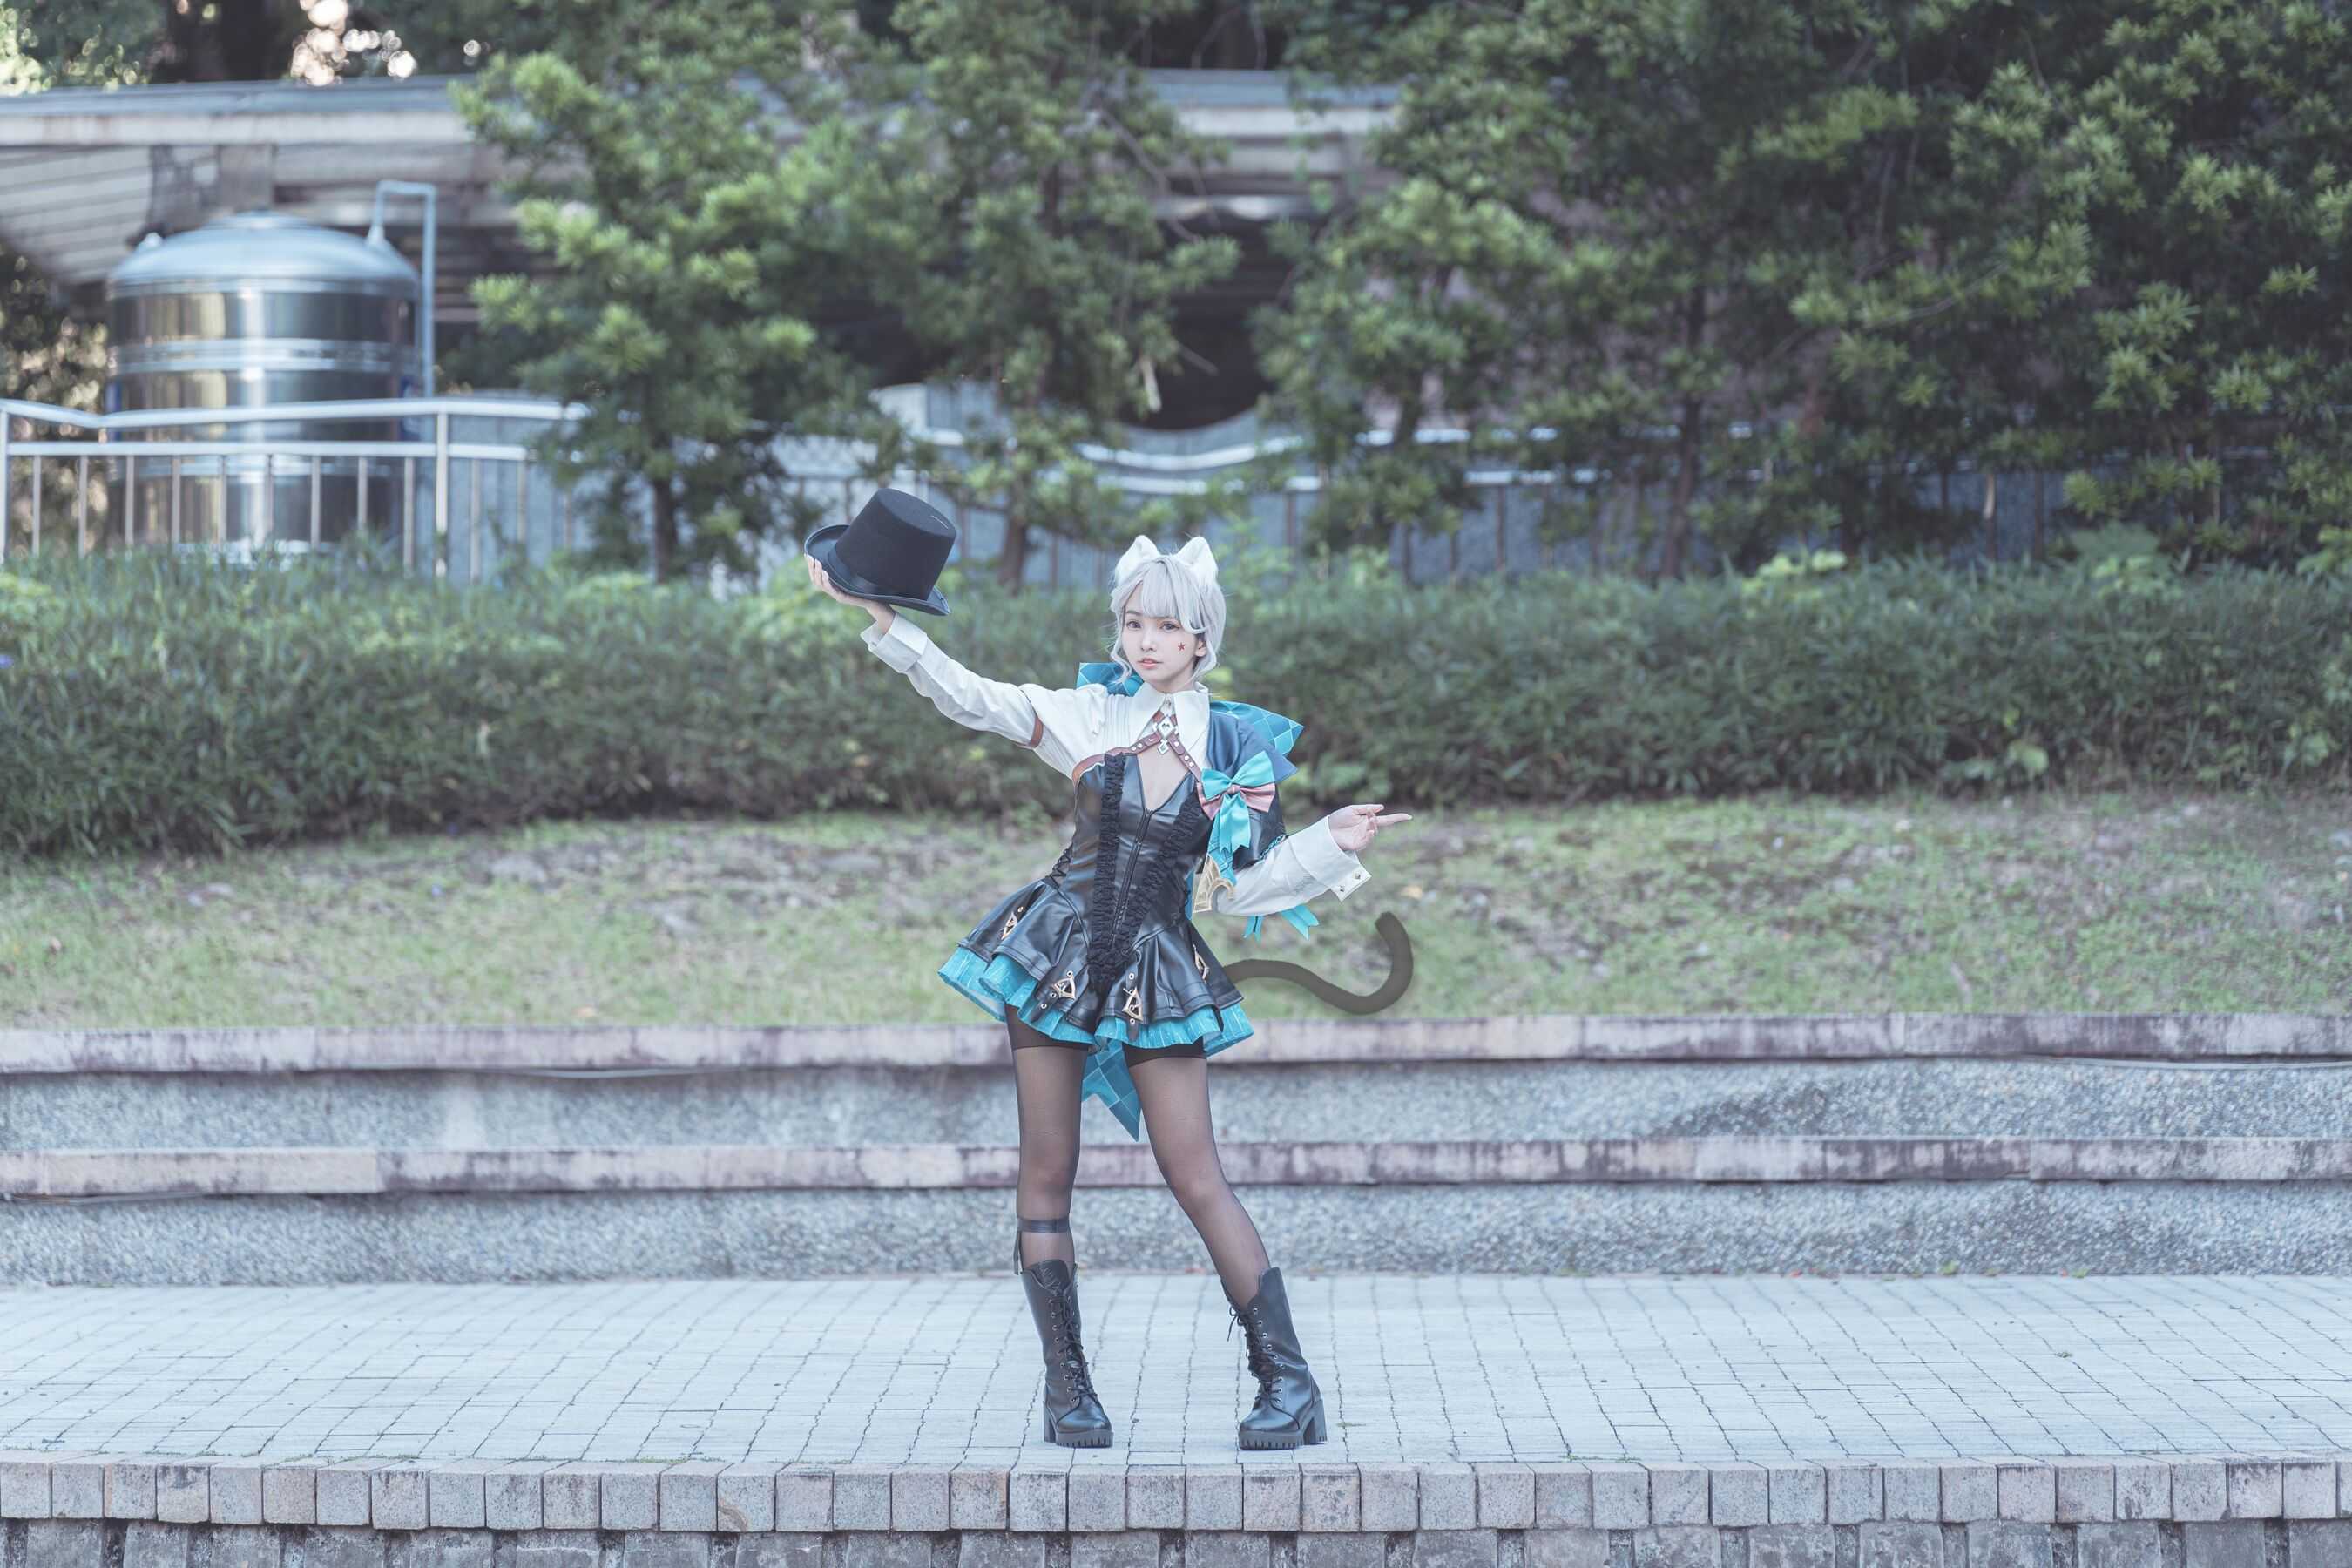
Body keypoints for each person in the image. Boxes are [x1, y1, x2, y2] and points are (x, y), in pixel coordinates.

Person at [809, 531, 1407, 1451]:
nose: (1145, 641)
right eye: (1133, 624)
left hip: (1157, 968)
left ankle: (1289, 1385)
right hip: (1055, 952)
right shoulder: (1090, 715)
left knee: (1196, 1173)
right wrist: (883, 621)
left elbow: (1239, 889)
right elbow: (971, 696)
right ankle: (1069, 1390)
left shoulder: (1237, 745)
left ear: (1202, 638)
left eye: (1165, 626)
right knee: (1047, 1172)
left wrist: (1329, 843)